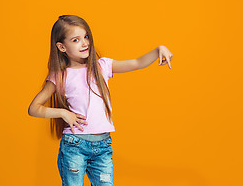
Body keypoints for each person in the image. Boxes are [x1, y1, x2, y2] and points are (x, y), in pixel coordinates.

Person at [28, 15, 173, 186]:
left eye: (86, 36)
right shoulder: (60, 76)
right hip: (75, 146)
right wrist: (63, 113)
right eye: (76, 40)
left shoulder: (102, 66)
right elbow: (34, 108)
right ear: (61, 47)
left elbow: (136, 62)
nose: (84, 43)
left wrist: (158, 50)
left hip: (103, 146)